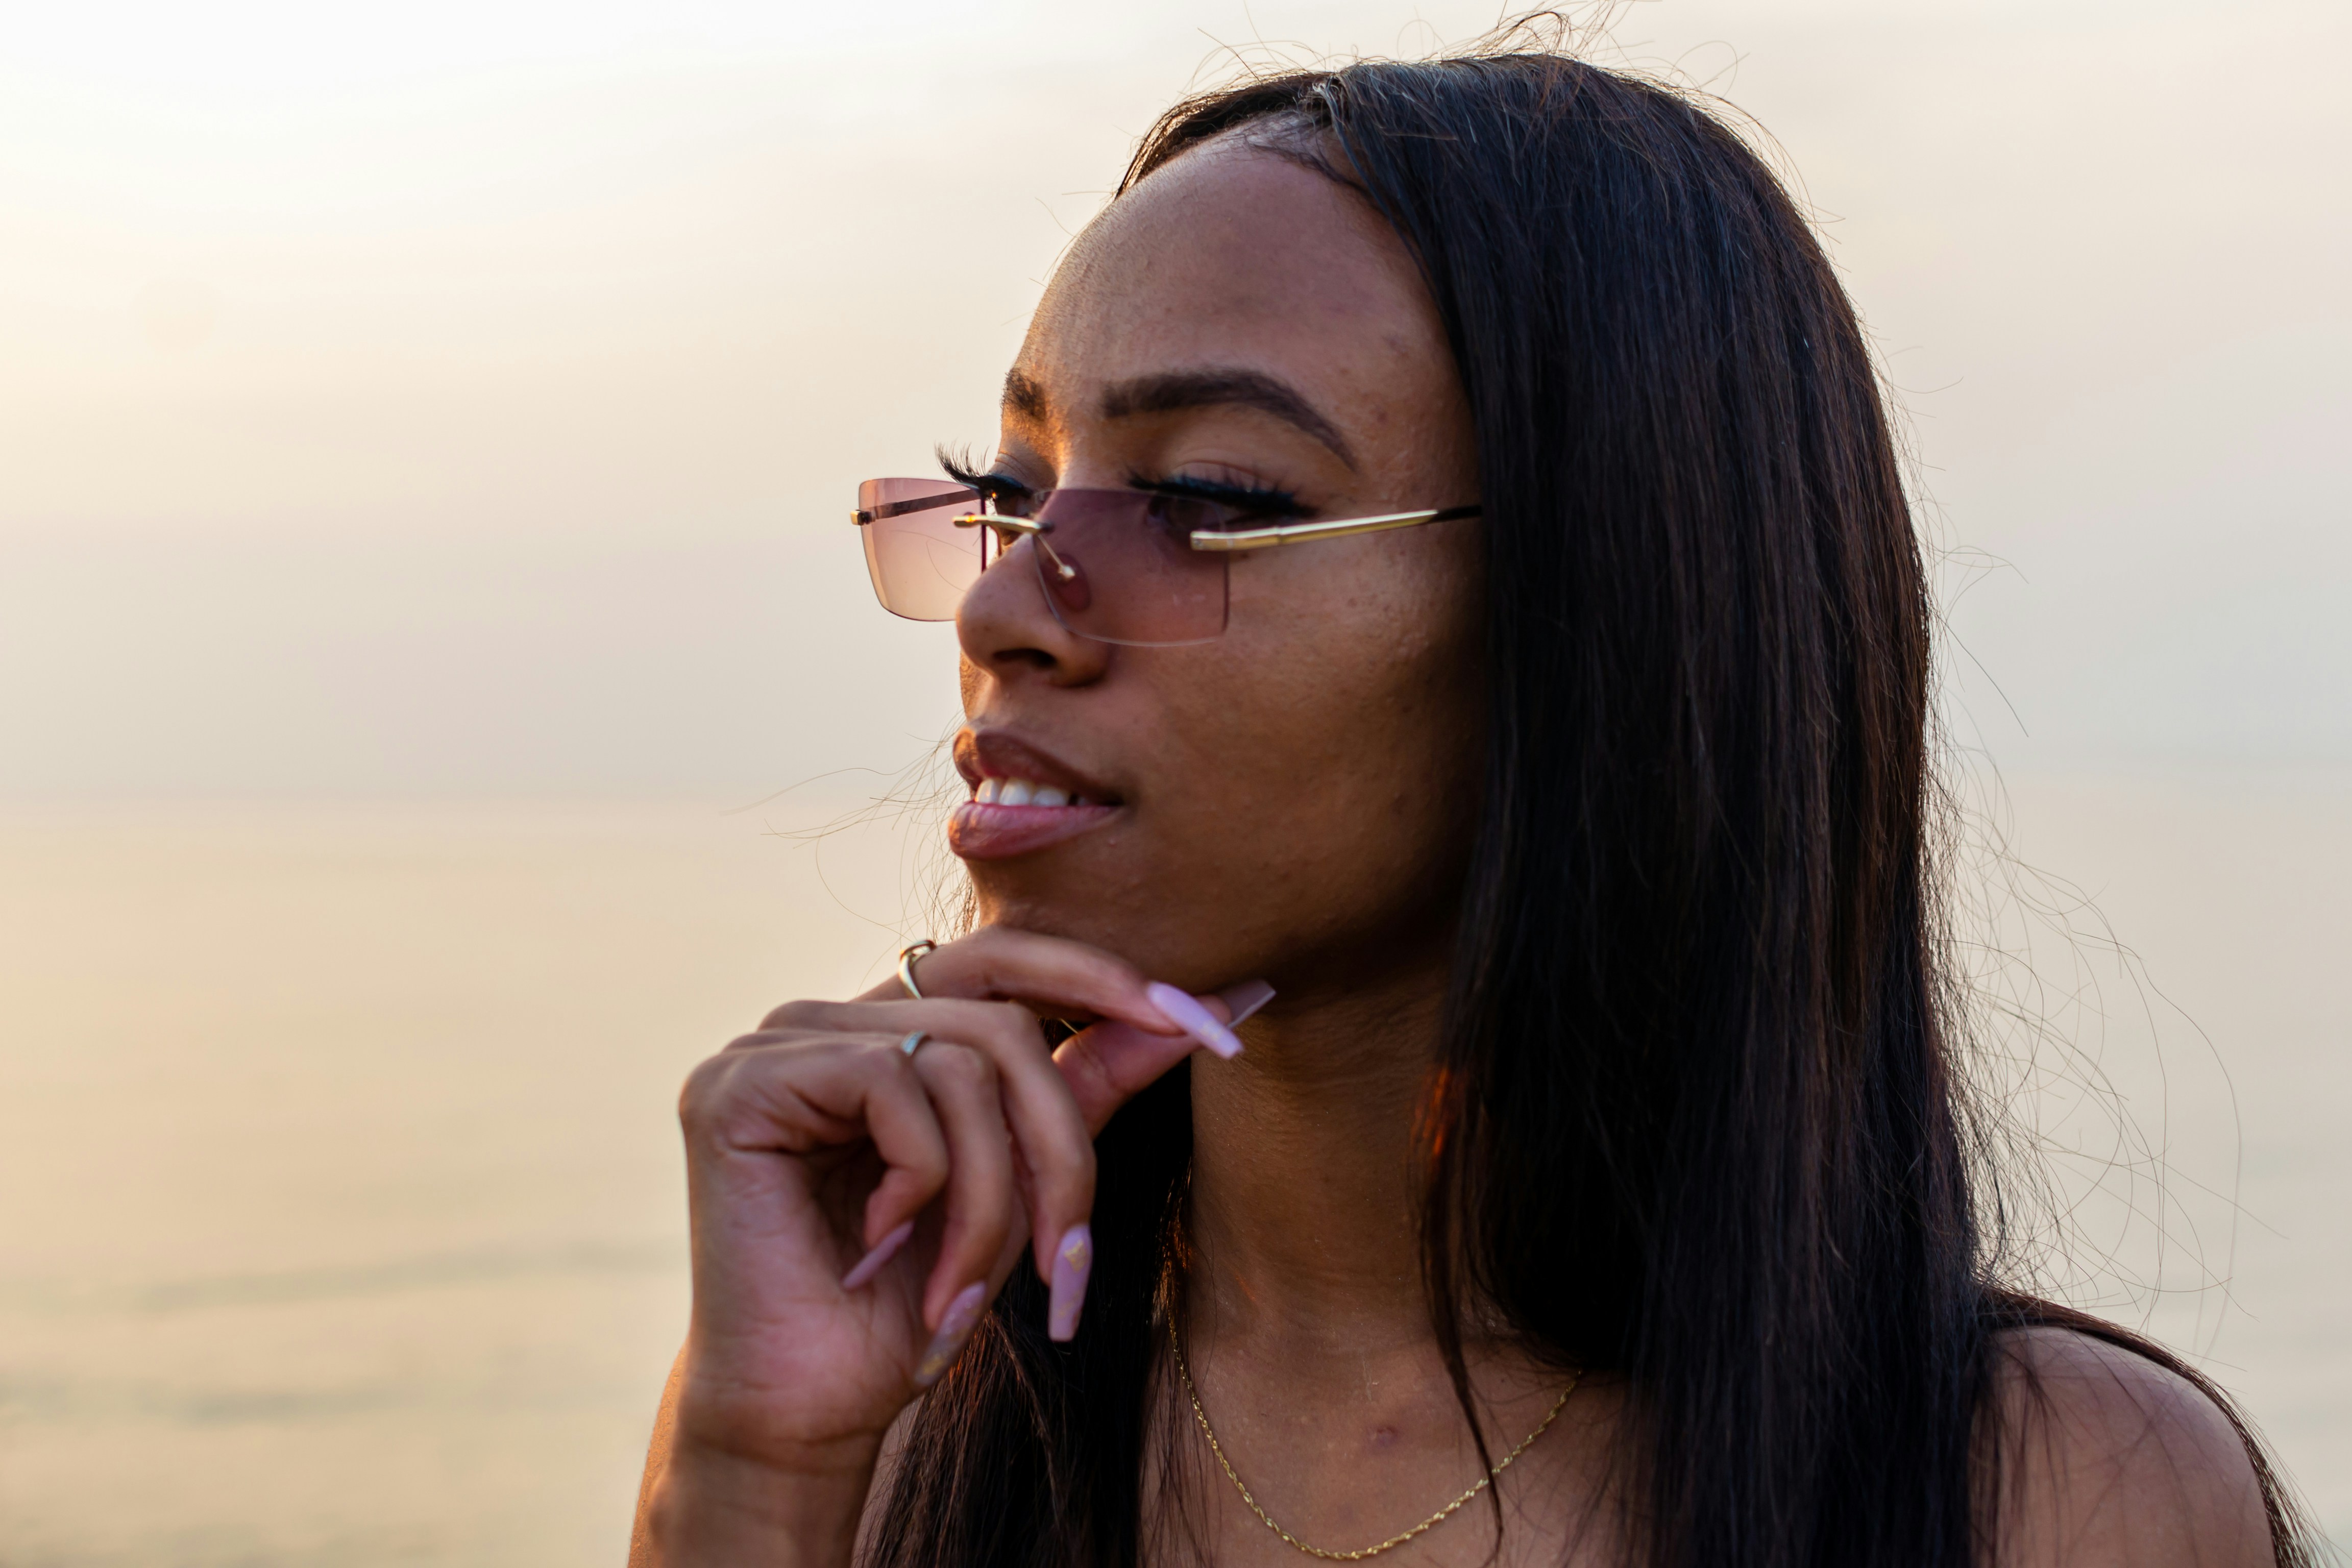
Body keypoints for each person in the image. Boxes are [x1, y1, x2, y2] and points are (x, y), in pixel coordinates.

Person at [629, 46, 2320, 1568]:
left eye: (1209, 499)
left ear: (1612, 613)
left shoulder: (2043, 1497)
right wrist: (749, 1466)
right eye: (1010, 494)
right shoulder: (888, 1417)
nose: (1004, 607)